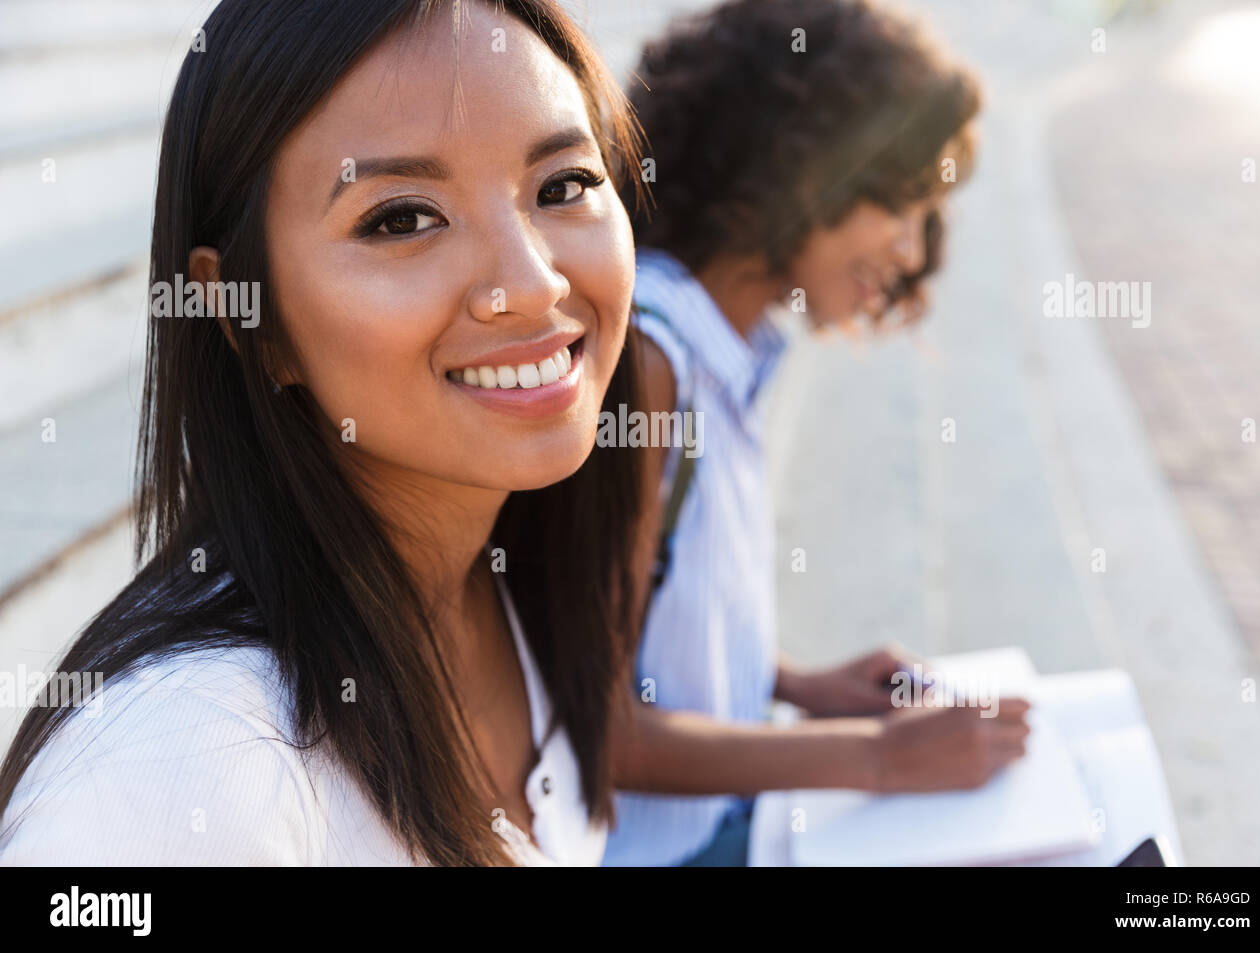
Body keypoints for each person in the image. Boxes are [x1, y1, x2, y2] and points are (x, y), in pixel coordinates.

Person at [0, 0, 648, 866]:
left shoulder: (511, 572)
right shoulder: (178, 768)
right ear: (245, 315)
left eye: (563, 184)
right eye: (402, 219)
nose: (530, 284)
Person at [604, 0, 1032, 866]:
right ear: (807, 169)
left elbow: (648, 627)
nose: (913, 254)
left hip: (730, 822)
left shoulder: (729, 348)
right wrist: (881, 759)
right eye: (902, 205)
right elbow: (593, 723)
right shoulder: (650, 361)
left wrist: (793, 681)